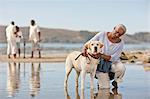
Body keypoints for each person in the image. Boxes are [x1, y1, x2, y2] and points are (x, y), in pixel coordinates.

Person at [82, 24, 126, 89]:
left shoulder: (121, 43)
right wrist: (84, 50)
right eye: (116, 32)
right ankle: (102, 79)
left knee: (121, 68)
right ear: (114, 28)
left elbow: (114, 58)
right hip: (99, 63)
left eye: (119, 34)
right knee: (105, 87)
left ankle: (115, 81)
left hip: (112, 62)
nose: (117, 35)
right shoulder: (102, 34)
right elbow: (88, 43)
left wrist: (101, 55)